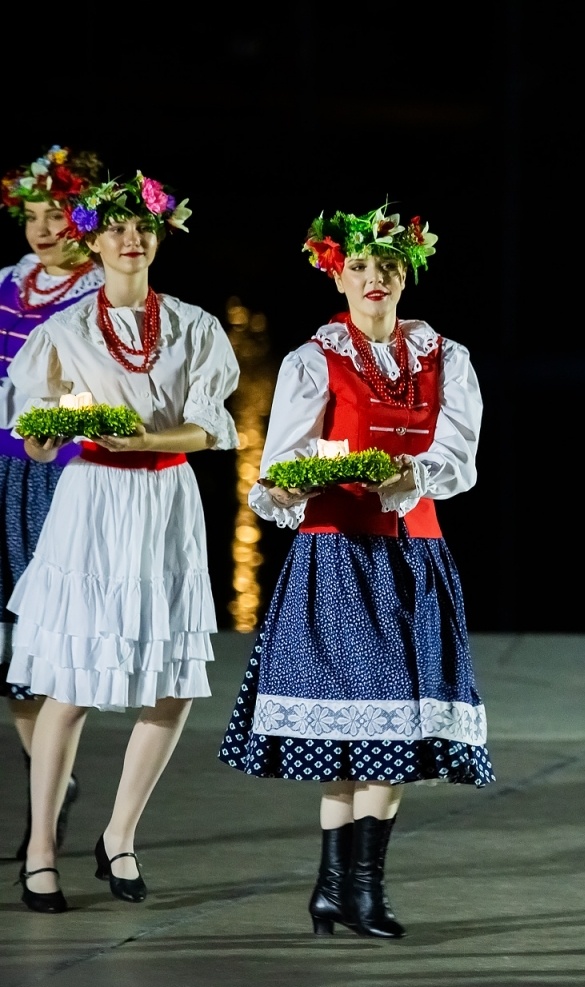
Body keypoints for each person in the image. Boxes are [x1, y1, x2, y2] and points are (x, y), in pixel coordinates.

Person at [218, 207, 489, 938]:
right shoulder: (314, 360)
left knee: (391, 726)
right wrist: (288, 488)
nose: (375, 278)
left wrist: (409, 475)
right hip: (337, 554)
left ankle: (347, 890)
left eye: (388, 267)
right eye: (360, 267)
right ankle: (348, 890)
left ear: (406, 276)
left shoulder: (445, 358)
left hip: (414, 555)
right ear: (337, 276)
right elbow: (283, 465)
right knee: (353, 727)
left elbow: (458, 461)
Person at [11, 173, 236, 914]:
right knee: (70, 681)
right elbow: (37, 438)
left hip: (165, 500)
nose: (131, 239)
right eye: (116, 228)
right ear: (94, 242)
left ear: (160, 236)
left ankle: (121, 834)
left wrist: (143, 439)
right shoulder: (66, 331)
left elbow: (209, 429)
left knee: (173, 684)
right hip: (93, 502)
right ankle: (41, 850)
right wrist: (49, 434)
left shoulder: (195, 327)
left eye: (143, 227)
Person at [0, 146, 104, 862]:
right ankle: (50, 781)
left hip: (65, 473)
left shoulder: (99, 294)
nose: (42, 229)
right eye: (32, 216)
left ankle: (51, 780)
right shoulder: (8, 284)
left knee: (53, 636)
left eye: (57, 215)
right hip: (4, 470)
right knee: (10, 645)